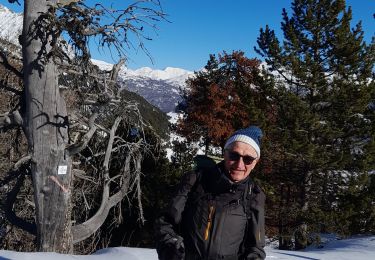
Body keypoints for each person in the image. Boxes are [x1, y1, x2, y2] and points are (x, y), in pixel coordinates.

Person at [155, 126, 266, 260]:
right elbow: (165, 222)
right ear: (225, 153)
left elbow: (256, 247)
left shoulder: (254, 195)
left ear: (255, 162)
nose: (239, 164)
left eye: (248, 159)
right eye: (234, 155)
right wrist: (170, 249)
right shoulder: (195, 181)